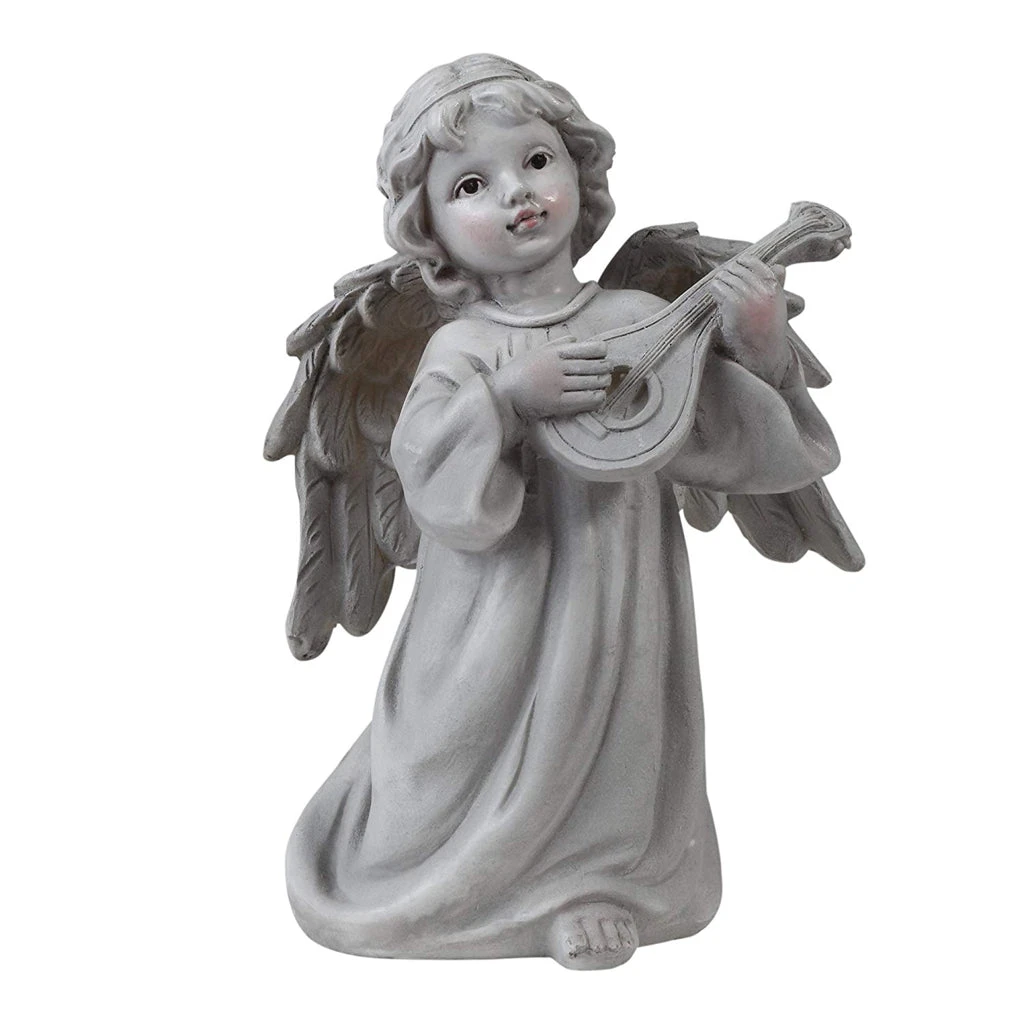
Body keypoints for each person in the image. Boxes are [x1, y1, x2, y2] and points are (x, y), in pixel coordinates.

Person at [276, 53, 857, 970]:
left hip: (613, 590)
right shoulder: (461, 345)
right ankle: (416, 864)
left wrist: (762, 347)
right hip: (488, 611)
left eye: (537, 160)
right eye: (471, 184)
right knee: (447, 750)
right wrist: (507, 398)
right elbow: (429, 477)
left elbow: (750, 446)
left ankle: (594, 882)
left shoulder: (639, 314)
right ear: (430, 230)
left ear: (580, 174)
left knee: (614, 729)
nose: (517, 192)